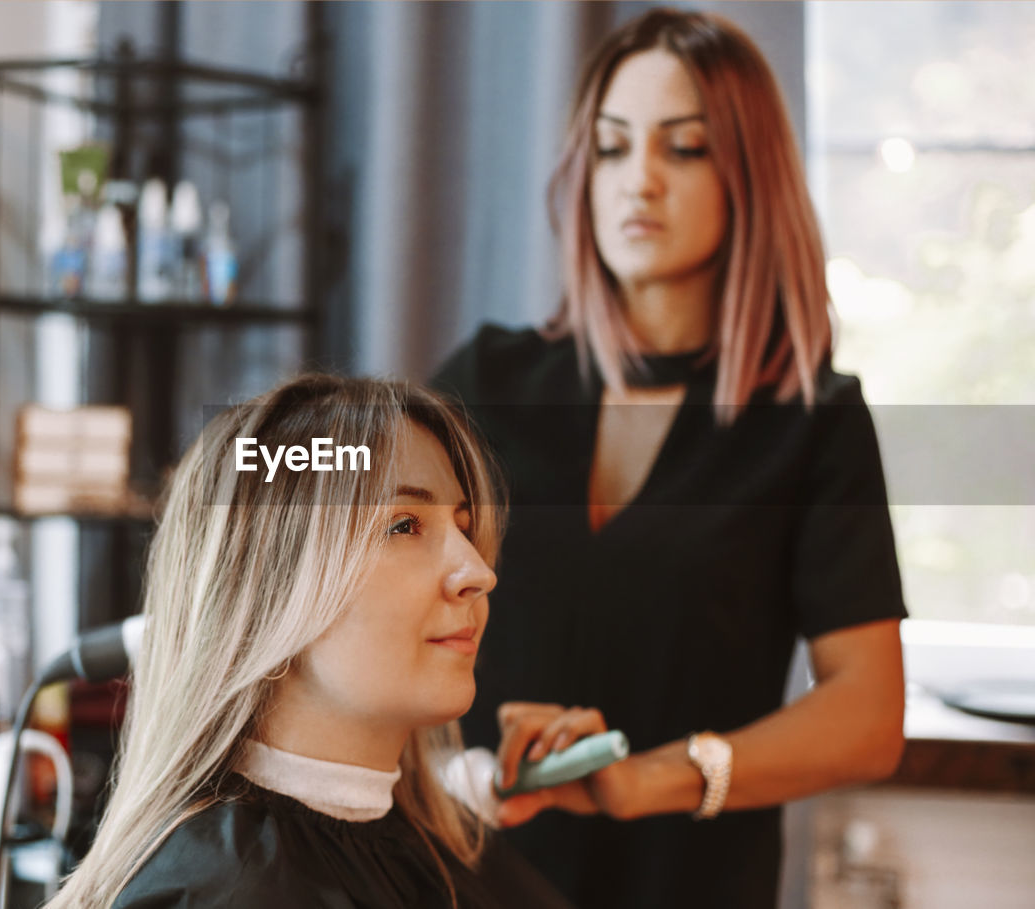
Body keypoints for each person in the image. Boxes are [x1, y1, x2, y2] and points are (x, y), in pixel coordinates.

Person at [432, 8, 907, 908]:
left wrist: (652, 777)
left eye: (682, 149)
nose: (637, 181)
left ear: (749, 178)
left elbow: (868, 716)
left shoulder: (812, 422)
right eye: (612, 149)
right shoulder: (485, 379)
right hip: (465, 878)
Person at [46, 374, 570, 908]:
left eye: (464, 525)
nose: (478, 571)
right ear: (269, 582)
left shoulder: (429, 851)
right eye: (404, 525)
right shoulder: (226, 891)